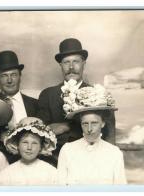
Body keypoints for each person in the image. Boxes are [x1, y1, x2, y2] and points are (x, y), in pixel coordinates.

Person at [37, 38, 116, 166]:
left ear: (84, 63)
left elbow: (109, 134)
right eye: (66, 62)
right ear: (60, 65)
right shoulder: (47, 95)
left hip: (91, 160)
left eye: (76, 62)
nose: (71, 67)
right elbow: (39, 132)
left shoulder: (97, 93)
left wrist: (64, 127)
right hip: (53, 161)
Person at [57, 84, 127, 185]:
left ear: (102, 123)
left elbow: (121, 190)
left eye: (94, 123)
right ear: (80, 124)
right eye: (85, 123)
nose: (89, 129)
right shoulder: (68, 150)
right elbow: (60, 188)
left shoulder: (114, 153)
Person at [0, 50, 38, 163]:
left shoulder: (35, 104)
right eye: (4, 76)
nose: (9, 80)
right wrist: (0, 136)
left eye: (13, 75)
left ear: (20, 76)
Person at [0, 117, 57, 185]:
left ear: (41, 147)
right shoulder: (8, 173)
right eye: (25, 142)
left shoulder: (51, 172)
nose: (29, 147)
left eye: (34, 143)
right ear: (17, 145)